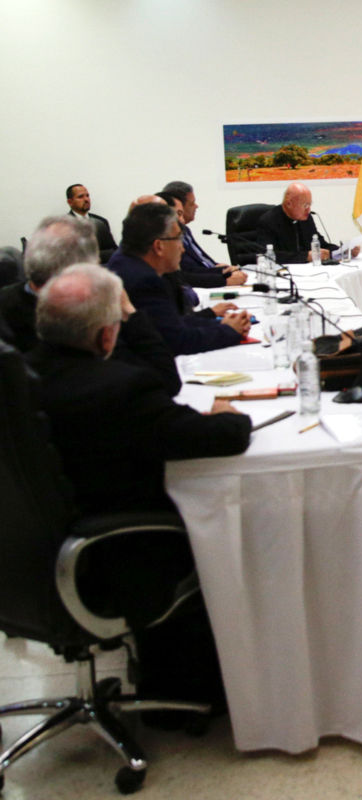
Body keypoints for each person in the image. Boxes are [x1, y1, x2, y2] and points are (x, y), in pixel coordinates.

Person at [27, 262, 249, 714]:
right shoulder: (119, 389)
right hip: (113, 559)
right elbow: (227, 437)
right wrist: (228, 414)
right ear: (107, 336)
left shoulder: (17, 381)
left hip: (26, 562)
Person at [0, 216, 180, 393]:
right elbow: (165, 380)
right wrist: (130, 313)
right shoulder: (82, 314)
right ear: (83, 270)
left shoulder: (7, 303)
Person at [108, 203, 250, 355]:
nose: (182, 248)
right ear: (159, 246)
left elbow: (174, 322)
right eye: (178, 239)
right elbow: (177, 340)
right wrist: (228, 331)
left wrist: (220, 324)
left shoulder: (132, 263)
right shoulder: (143, 279)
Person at [160, 180, 247, 289]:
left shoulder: (185, 230)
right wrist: (222, 278)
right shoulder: (165, 239)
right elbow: (185, 274)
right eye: (192, 203)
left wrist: (221, 270)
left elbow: (201, 264)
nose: (196, 206)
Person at [256, 182, 358, 263]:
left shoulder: (306, 218)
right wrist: (306, 257)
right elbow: (267, 255)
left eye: (310, 205)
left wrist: (343, 251)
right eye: (305, 205)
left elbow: (321, 245)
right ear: (288, 203)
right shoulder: (268, 221)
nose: (308, 210)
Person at [65, 183, 118, 262]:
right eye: (80, 197)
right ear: (70, 202)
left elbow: (113, 250)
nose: (86, 199)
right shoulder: (65, 224)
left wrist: (91, 257)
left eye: (87, 196)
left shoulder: (101, 222)